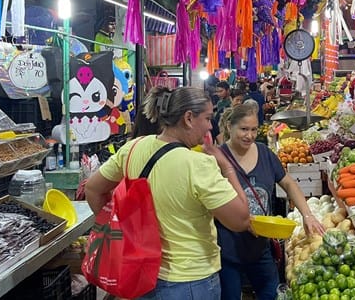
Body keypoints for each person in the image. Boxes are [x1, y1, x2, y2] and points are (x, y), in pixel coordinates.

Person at [84, 87, 250, 300]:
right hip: (189, 282)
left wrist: (122, 231)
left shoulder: (133, 148)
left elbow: (93, 189)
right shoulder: (197, 164)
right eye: (208, 118)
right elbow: (241, 220)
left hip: (141, 275)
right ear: (188, 118)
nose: (210, 126)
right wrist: (226, 167)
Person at [216, 104, 325, 300]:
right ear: (229, 126)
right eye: (243, 129)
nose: (249, 135)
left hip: (260, 248)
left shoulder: (265, 154)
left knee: (271, 294)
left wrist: (307, 214)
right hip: (227, 250)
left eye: (254, 129)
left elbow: (289, 184)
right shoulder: (217, 158)